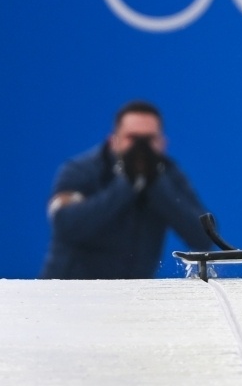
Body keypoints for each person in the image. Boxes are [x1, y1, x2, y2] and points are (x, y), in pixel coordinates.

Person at [40, 100, 214, 279]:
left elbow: (204, 237)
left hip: (133, 292)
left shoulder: (168, 176)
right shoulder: (81, 171)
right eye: (133, 138)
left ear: (162, 143)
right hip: (70, 289)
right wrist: (127, 185)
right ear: (113, 141)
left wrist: (155, 184)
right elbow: (66, 225)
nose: (141, 148)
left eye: (148, 140)